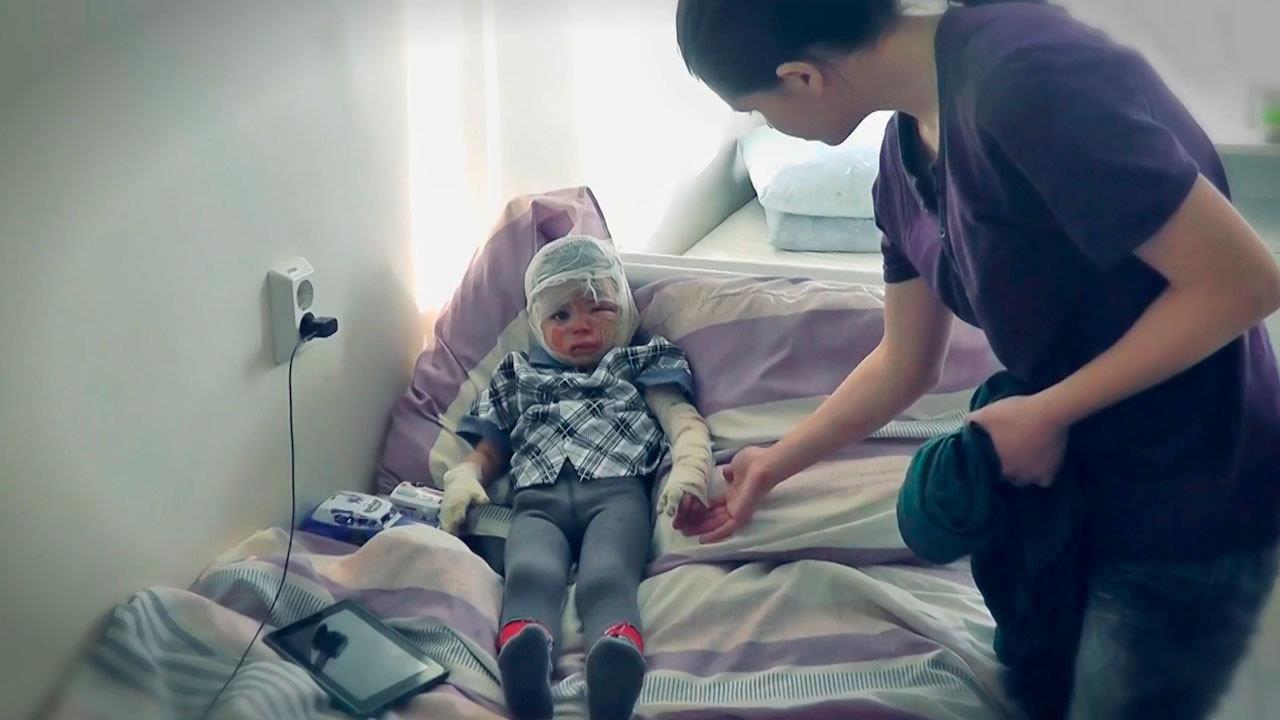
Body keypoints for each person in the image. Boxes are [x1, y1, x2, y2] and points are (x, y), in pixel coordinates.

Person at [675, 1, 1280, 718]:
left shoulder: (1026, 80)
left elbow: (1243, 282)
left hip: (1189, 486)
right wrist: (775, 462)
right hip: (1072, 488)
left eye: (758, 110)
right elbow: (905, 362)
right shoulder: (902, 160)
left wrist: (1047, 412)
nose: (769, 127)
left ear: (802, 77)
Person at [437, 235, 713, 720]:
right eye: (560, 315)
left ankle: (614, 652)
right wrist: (463, 480)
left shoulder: (640, 360)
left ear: (624, 305)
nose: (580, 326)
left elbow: (682, 422)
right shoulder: (517, 374)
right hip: (536, 502)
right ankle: (525, 646)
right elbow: (487, 453)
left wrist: (689, 470)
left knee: (607, 575)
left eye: (598, 307)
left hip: (618, 495)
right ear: (536, 323)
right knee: (529, 571)